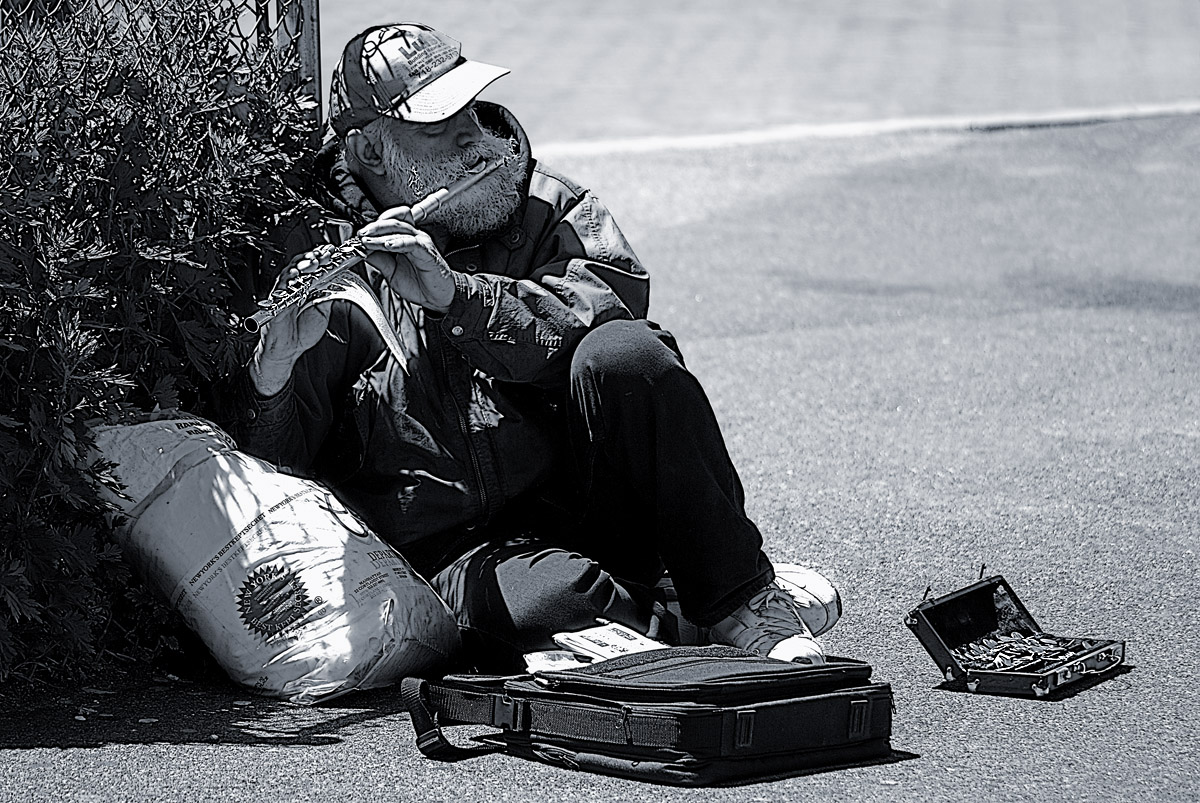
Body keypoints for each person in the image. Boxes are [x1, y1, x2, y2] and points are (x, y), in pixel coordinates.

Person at [224, 23, 839, 669]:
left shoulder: (549, 204)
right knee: (545, 604)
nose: (470, 135)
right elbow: (278, 479)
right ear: (371, 151)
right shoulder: (311, 249)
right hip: (456, 550)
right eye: (438, 125)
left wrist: (460, 299)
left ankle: (738, 598)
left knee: (627, 353)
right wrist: (273, 375)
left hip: (588, 505)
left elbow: (607, 315)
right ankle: (678, 610)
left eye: (468, 108)